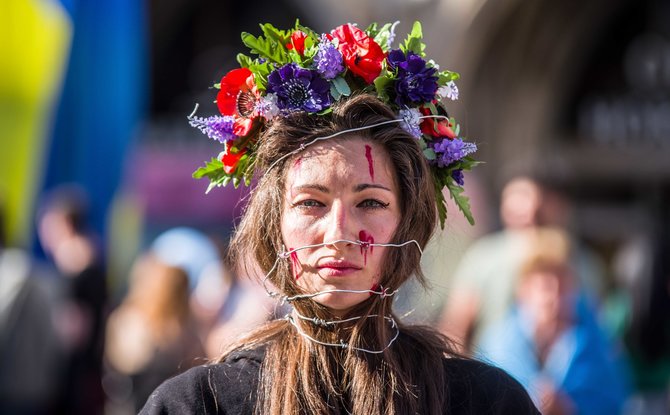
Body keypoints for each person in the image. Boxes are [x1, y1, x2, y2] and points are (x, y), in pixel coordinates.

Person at [141, 21, 539, 414]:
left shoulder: (485, 402)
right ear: (273, 223)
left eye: (370, 203)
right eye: (311, 203)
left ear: (408, 222)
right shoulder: (196, 404)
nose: (339, 234)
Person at [478, 227, 629, 414]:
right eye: (545, 287)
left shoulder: (599, 344)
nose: (554, 298)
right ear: (524, 289)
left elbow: (615, 402)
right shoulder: (496, 345)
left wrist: (570, 410)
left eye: (562, 285)